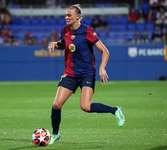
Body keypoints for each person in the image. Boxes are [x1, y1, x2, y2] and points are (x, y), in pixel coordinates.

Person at [47, 4, 125, 145]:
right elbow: (64, 45)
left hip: (86, 73)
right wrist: (55, 43)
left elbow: (105, 51)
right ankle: (55, 134)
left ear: (78, 17)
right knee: (56, 105)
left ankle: (115, 110)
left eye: (69, 15)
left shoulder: (87, 31)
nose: (66, 18)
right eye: (65, 15)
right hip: (70, 73)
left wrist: (102, 68)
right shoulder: (64, 30)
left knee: (86, 107)